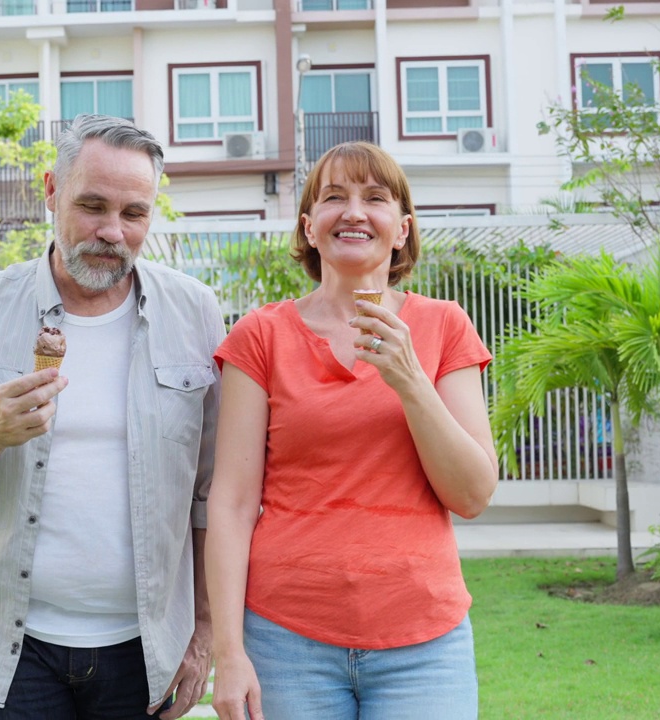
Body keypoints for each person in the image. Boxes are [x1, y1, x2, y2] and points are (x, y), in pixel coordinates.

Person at [0, 114, 223, 720]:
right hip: (10, 653)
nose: (112, 232)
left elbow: (211, 493)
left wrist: (203, 631)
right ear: (50, 191)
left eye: (134, 214)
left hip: (144, 650)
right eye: (92, 206)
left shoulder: (195, 315)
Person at [205, 142, 498, 720]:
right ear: (310, 228)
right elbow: (232, 504)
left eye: (375, 198)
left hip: (424, 644)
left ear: (402, 229)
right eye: (334, 197)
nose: (355, 212)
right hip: (285, 641)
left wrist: (409, 378)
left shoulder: (444, 326)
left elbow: (471, 495)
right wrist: (228, 652)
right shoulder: (260, 336)